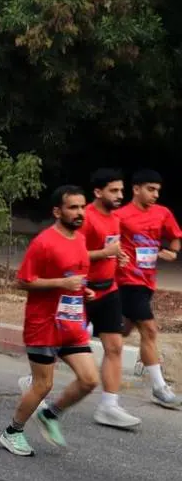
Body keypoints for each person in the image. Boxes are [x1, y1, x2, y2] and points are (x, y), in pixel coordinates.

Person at [1, 187, 104, 458]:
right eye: (73, 207)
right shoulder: (44, 242)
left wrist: (83, 291)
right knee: (43, 385)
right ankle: (12, 432)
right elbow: (23, 281)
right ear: (57, 211)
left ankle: (50, 414)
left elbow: (74, 278)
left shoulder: (80, 239)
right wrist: (61, 283)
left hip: (72, 323)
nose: (80, 213)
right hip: (43, 324)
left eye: (82, 207)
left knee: (89, 379)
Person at [117, 169, 182, 408]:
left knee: (122, 330)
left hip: (147, 281)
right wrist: (116, 255)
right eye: (150, 189)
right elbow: (107, 241)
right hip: (126, 280)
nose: (155, 194)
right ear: (136, 189)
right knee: (150, 330)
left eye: (158, 190)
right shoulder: (121, 215)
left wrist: (172, 251)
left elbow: (175, 237)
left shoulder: (162, 213)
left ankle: (75, 335)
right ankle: (159, 388)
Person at [81, 169, 140, 426]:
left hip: (109, 290)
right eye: (113, 190)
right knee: (63, 346)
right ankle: (36, 381)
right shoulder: (85, 218)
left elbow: (109, 250)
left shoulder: (115, 218)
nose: (119, 195)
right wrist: (106, 252)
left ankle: (108, 406)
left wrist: (118, 257)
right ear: (98, 192)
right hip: (83, 291)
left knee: (114, 346)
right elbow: (72, 253)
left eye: (121, 190)